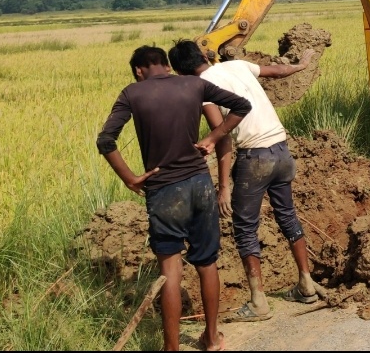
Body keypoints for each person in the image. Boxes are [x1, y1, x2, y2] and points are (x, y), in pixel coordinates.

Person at [96, 45, 252, 352]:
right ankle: (211, 337)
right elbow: (242, 106)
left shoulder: (132, 93)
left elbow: (105, 140)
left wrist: (130, 178)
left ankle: (171, 348)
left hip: (164, 188)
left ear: (139, 70)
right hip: (200, 184)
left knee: (170, 270)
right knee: (206, 263)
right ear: (166, 64)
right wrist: (211, 137)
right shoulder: (195, 84)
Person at [168, 40, 323, 323]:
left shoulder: (202, 89)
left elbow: (222, 135)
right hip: (282, 150)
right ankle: (307, 284)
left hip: (256, 158)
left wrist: (224, 186)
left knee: (245, 229)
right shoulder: (236, 65)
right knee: (288, 216)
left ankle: (258, 302)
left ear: (180, 72)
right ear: (203, 55)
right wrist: (300, 65)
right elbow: (275, 71)